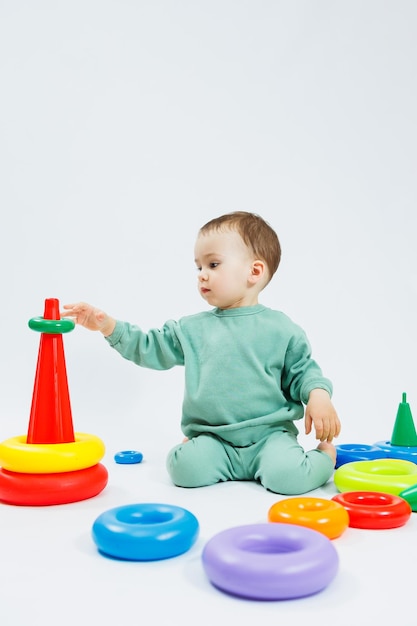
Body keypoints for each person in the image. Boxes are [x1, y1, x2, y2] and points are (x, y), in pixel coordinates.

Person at [62, 211, 340, 495]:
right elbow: (150, 348)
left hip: (269, 437)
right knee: (183, 469)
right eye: (199, 267)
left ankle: (324, 458)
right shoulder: (192, 329)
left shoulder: (282, 329)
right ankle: (201, 451)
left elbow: (304, 371)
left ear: (254, 272)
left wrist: (318, 395)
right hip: (214, 438)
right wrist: (107, 326)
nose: (202, 274)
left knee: (288, 478)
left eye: (213, 264)